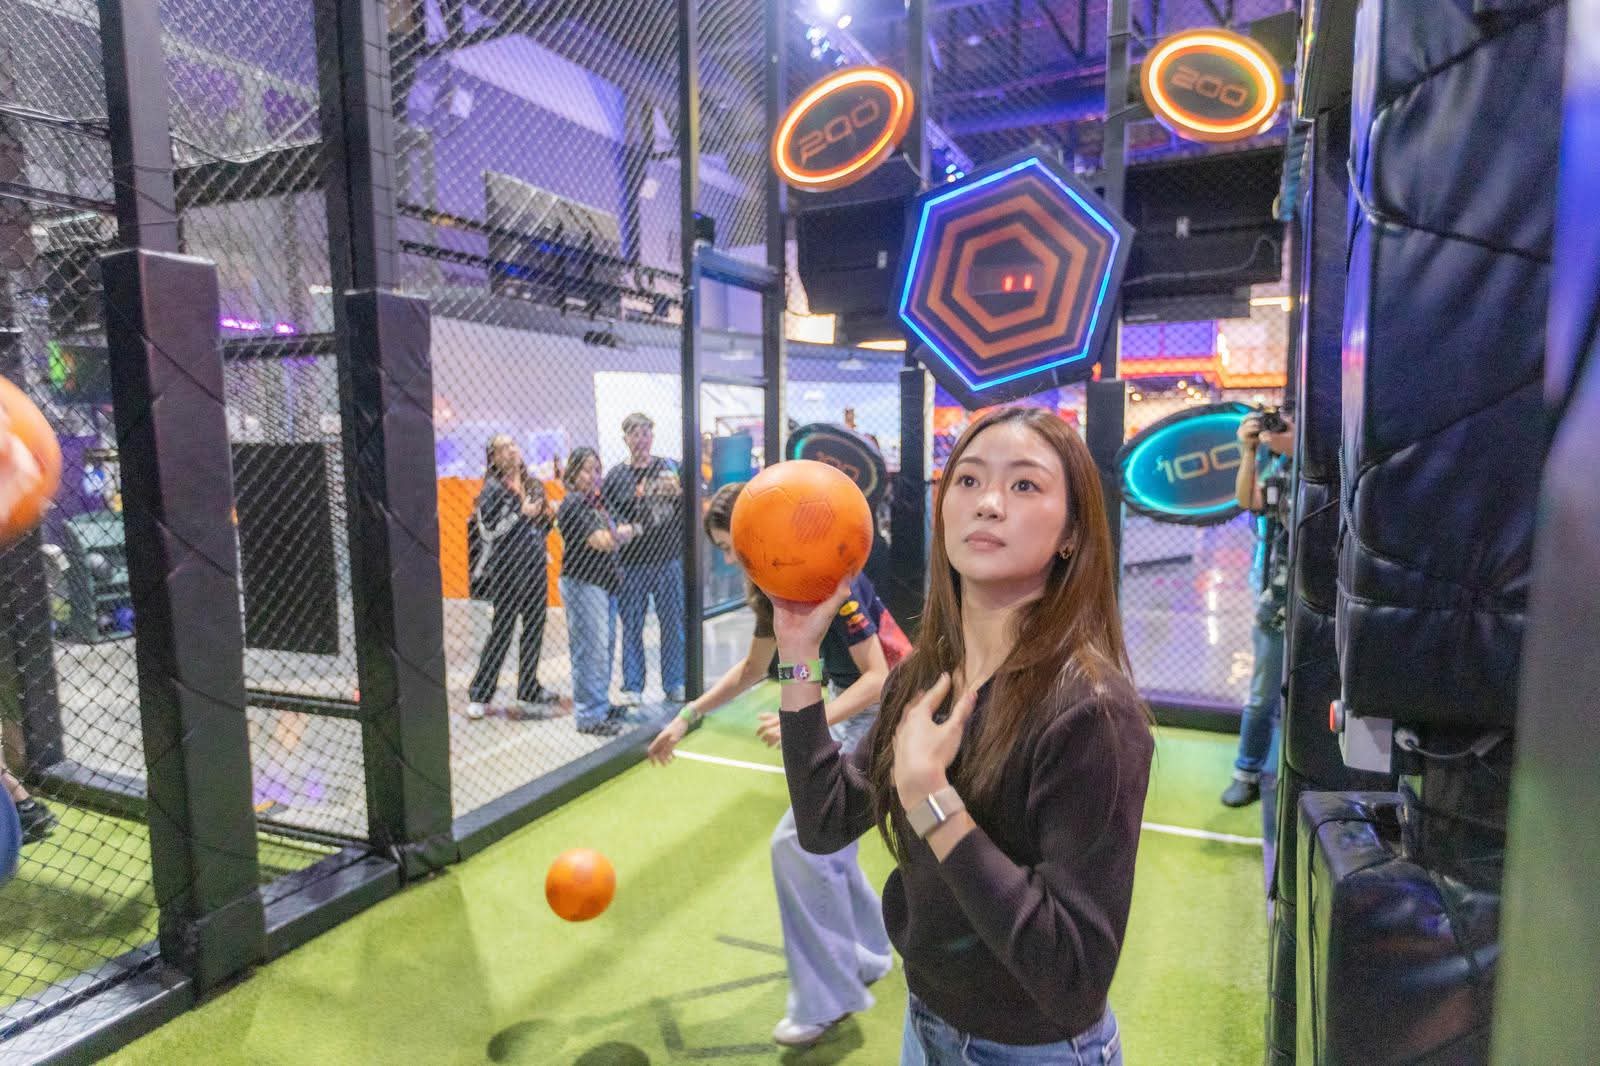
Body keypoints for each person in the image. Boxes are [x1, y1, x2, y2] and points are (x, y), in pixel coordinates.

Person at [774, 405, 1152, 1064]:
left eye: (1025, 484)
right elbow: (825, 822)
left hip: (1032, 1051)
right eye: (969, 480)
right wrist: (797, 655)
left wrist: (932, 801)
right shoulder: (923, 676)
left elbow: (1074, 976)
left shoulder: (1091, 713)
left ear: (1071, 532)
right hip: (926, 1024)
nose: (988, 503)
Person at [648, 483, 897, 1048]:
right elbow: (755, 669)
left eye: (734, 548)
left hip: (886, 714)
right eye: (726, 549)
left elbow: (879, 678)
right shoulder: (775, 588)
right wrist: (686, 717)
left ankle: (827, 998)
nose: (731, 560)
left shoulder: (834, 581)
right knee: (826, 846)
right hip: (851, 709)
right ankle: (868, 952)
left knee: (801, 844)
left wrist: (813, 719)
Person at [1220, 409, 1295, 809]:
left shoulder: (1331, 470)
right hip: (1279, 603)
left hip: (1325, 606)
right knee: (1262, 695)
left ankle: (1298, 774)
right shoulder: (1280, 470)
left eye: (1287, 422)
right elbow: (1247, 499)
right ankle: (1246, 772)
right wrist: (1248, 451)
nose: (1277, 429)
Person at [467, 436, 557, 720]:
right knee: (502, 629)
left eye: (513, 445)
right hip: (507, 568)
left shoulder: (533, 485)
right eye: (503, 448)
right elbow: (488, 530)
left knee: (535, 626)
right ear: (493, 457)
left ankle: (529, 686)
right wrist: (521, 514)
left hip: (534, 564)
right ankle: (480, 693)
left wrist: (547, 517)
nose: (511, 451)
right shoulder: (492, 489)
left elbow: (543, 527)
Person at [601, 413, 685, 706]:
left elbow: (688, 502)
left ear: (652, 436)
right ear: (625, 438)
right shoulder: (615, 476)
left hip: (668, 558)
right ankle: (633, 685)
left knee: (672, 623)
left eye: (645, 433)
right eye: (635, 434)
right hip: (631, 563)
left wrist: (680, 491)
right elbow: (609, 514)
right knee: (632, 625)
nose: (641, 439)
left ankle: (675, 682)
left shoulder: (669, 468)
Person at [558, 447, 636, 737]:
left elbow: (617, 533)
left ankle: (600, 704)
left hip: (604, 583)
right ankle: (589, 714)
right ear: (573, 473)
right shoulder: (574, 503)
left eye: (596, 470)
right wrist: (621, 534)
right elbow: (601, 540)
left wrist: (619, 534)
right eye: (586, 470)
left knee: (603, 648)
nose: (593, 476)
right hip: (584, 582)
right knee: (590, 650)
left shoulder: (597, 502)